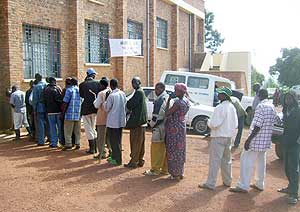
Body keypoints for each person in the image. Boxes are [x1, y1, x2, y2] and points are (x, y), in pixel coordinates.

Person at [230, 89, 279, 193]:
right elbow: (275, 121)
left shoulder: (260, 107)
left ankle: (243, 185)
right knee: (261, 162)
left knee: (246, 161)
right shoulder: (272, 106)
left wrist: (248, 140)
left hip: (256, 140)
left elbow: (257, 126)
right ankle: (259, 184)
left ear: (258, 95)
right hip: (265, 141)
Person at [198, 87, 238, 190]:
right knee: (227, 160)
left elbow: (214, 124)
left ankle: (211, 183)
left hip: (218, 136)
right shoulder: (232, 107)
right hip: (228, 136)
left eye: (220, 93)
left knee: (215, 161)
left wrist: (208, 121)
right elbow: (236, 124)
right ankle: (227, 181)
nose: (218, 95)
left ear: (225, 96)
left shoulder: (220, 107)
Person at [277, 91, 300, 204]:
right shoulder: (286, 110)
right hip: (286, 141)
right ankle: (290, 187)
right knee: (286, 167)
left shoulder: (298, 110)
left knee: (294, 168)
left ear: (294, 99)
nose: (288, 101)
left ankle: (294, 194)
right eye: (286, 99)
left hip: (295, 143)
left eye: (290, 98)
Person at [165, 83, 190, 180]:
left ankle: (174, 173)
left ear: (180, 92)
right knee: (180, 149)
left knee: (173, 150)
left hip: (174, 129)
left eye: (176, 90)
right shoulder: (186, 101)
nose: (175, 92)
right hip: (181, 127)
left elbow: (167, 113)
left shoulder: (178, 103)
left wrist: (168, 100)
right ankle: (180, 172)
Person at [143, 82, 168, 176]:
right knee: (164, 148)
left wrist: (152, 125)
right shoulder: (167, 97)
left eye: (157, 89)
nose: (155, 91)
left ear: (162, 89)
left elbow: (156, 116)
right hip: (166, 126)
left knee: (156, 148)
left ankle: (155, 169)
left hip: (159, 127)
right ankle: (165, 169)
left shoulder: (160, 100)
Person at [124, 77, 148, 168]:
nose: (133, 84)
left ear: (139, 83)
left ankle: (134, 161)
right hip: (142, 122)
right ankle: (140, 160)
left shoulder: (138, 92)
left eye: (134, 82)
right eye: (132, 82)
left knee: (135, 142)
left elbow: (130, 105)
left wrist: (126, 101)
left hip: (137, 122)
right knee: (140, 143)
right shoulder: (141, 92)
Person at [103, 79, 127, 166]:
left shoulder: (111, 95)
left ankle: (117, 160)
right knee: (118, 141)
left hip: (113, 122)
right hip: (120, 121)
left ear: (111, 85)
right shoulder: (122, 93)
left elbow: (106, 108)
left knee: (114, 142)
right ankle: (115, 157)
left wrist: (105, 101)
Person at [79, 68, 100, 154]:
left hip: (86, 109)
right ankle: (95, 148)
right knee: (93, 128)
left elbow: (82, 96)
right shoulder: (97, 84)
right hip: (95, 108)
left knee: (88, 129)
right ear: (93, 75)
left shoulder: (82, 84)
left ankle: (92, 148)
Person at [93, 77, 111, 161]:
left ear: (102, 85)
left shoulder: (101, 94)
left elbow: (96, 105)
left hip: (102, 118)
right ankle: (111, 152)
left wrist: (94, 100)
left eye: (99, 85)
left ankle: (102, 153)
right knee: (109, 137)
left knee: (101, 138)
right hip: (110, 119)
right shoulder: (111, 91)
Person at [61, 77, 81, 151]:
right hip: (78, 113)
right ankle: (78, 143)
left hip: (69, 114)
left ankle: (68, 145)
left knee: (68, 131)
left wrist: (63, 113)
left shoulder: (69, 90)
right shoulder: (80, 90)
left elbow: (65, 102)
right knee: (77, 131)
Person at [44, 77, 63, 148]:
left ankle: (54, 142)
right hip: (58, 111)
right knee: (60, 127)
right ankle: (61, 141)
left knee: (52, 127)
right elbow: (60, 99)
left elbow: (44, 100)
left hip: (50, 111)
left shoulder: (46, 89)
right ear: (54, 81)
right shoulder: (58, 89)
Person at [32, 73, 47, 146]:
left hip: (40, 107)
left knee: (40, 124)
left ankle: (41, 141)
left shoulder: (36, 87)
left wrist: (34, 109)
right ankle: (51, 139)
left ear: (36, 79)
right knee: (48, 124)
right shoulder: (46, 85)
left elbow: (35, 100)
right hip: (47, 107)